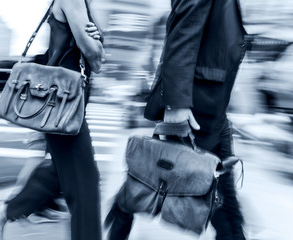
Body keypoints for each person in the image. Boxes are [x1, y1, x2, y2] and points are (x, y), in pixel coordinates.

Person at [105, 0, 247, 240]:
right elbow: (182, 35)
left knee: (208, 181)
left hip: (211, 103)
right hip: (196, 102)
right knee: (184, 175)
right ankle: (120, 217)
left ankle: (120, 218)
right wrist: (177, 103)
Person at [0, 0, 104, 239]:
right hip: (62, 108)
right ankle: (3, 214)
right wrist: (97, 43)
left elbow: (90, 56)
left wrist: (95, 43)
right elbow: (94, 57)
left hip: (63, 106)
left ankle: (1, 214)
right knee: (85, 186)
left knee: (59, 175)